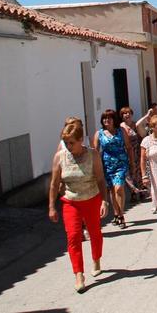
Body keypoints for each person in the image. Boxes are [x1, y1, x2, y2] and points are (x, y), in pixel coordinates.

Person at [48, 121, 108, 293]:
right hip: (70, 202)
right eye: (66, 143)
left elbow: (100, 180)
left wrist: (104, 201)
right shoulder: (60, 157)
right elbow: (54, 184)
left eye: (71, 143)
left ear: (81, 140)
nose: (68, 146)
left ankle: (96, 259)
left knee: (95, 233)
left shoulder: (93, 155)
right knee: (73, 237)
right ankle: (79, 274)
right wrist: (52, 206)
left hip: (91, 199)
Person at [92, 109, 134, 229]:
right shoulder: (99, 134)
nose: (106, 120)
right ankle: (116, 213)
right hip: (106, 165)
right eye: (104, 118)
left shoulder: (121, 131)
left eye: (109, 118)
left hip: (121, 164)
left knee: (119, 188)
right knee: (111, 190)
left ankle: (121, 215)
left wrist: (132, 162)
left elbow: (129, 147)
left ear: (114, 119)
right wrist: (95, 168)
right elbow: (94, 151)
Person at [120, 106, 147, 201]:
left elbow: (141, 135)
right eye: (125, 113)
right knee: (130, 173)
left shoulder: (135, 124)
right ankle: (133, 192)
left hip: (137, 150)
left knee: (138, 171)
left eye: (129, 113)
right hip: (126, 152)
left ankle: (142, 190)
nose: (127, 115)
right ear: (122, 116)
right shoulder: (121, 127)